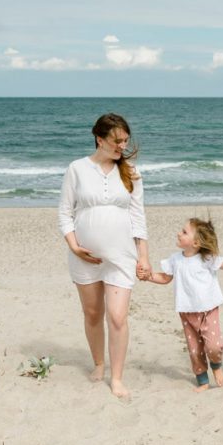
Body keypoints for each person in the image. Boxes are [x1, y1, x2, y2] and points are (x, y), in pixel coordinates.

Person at [58, 113, 151, 398]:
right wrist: (74, 246)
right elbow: (64, 212)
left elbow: (138, 218)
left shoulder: (131, 173)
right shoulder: (77, 169)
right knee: (93, 313)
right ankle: (99, 363)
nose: (122, 146)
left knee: (118, 316)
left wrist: (143, 257)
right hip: (84, 257)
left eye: (125, 141)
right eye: (116, 141)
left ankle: (118, 377)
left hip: (122, 257)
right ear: (99, 139)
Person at [141, 218, 223, 391]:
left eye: (184, 232)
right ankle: (203, 381)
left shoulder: (206, 258)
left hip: (209, 310)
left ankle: (216, 366)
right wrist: (148, 277)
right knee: (195, 349)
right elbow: (164, 278)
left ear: (196, 242)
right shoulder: (175, 259)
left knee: (213, 346)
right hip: (187, 311)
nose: (179, 233)